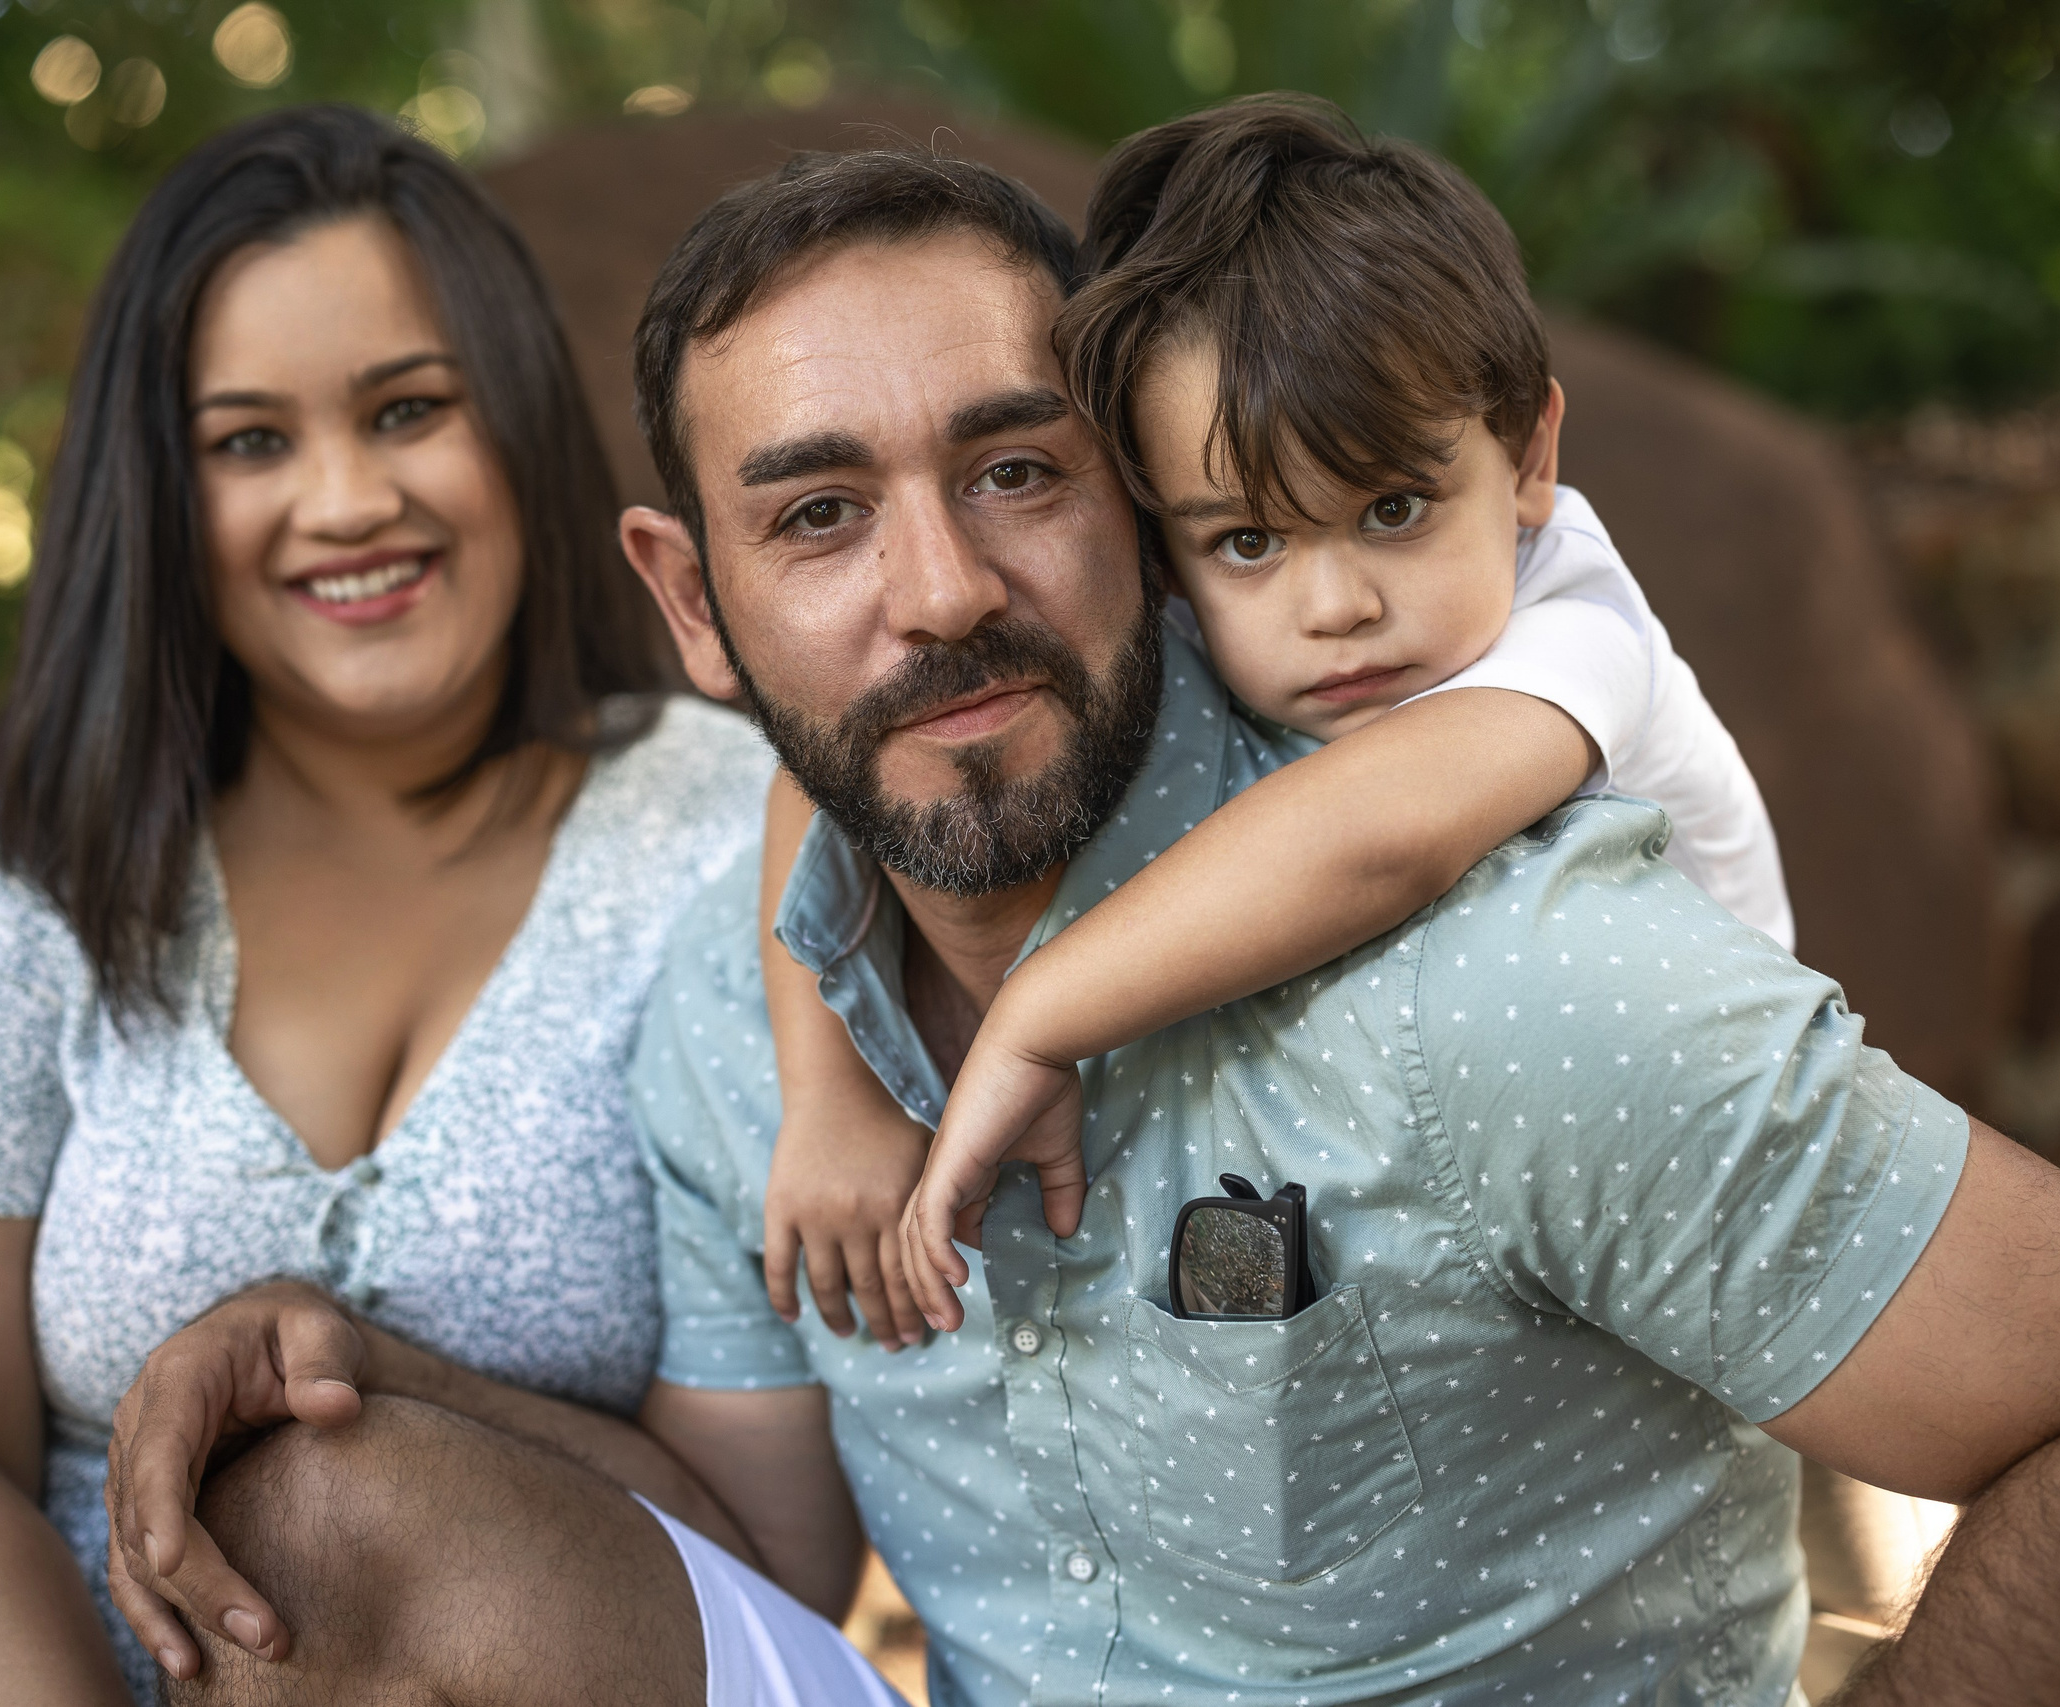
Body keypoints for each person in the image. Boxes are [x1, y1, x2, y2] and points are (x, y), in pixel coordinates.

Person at [106, 140, 2060, 1707]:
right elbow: (765, 1552)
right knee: (320, 1507)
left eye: (1012, 470)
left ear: (1137, 490)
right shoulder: (743, 1023)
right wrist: (373, 1372)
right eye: (817, 514)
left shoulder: (1501, 969)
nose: (933, 590)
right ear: (689, 604)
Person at [0, 105, 810, 1707]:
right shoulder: (56, 856)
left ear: (516, 417)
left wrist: (392, 1382)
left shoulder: (731, 830)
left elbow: (766, 1568)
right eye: (250, 441)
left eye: (409, 408)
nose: (346, 499)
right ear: (165, 496)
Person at [744, 97, 1792, 1354]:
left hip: (1699, 1178)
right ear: (1164, 545)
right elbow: (835, 763)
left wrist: (1032, 1015)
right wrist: (830, 1093)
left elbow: (1380, 837)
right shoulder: (1202, 613)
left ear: (1524, 457)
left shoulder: (1577, 627)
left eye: (1395, 509)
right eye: (1248, 540)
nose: (1336, 606)